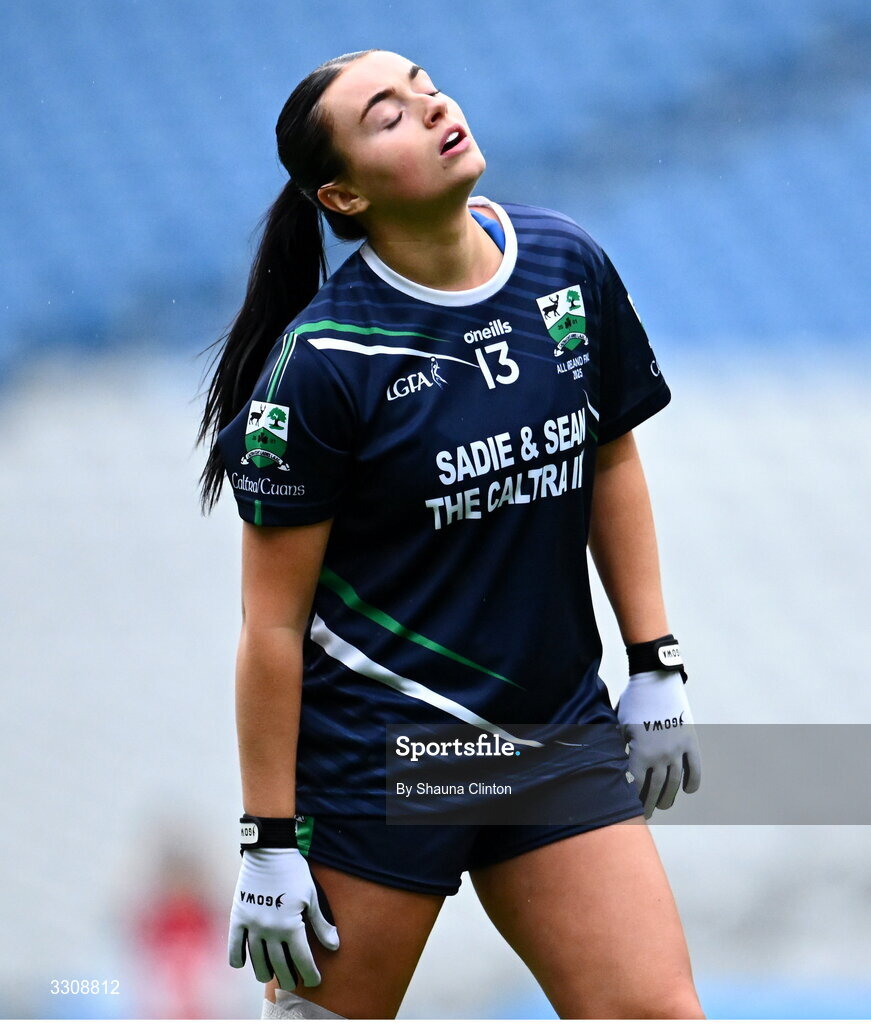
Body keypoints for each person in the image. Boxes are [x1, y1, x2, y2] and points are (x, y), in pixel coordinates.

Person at [197, 49, 704, 1020]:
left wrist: (654, 658)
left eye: (424, 84)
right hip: (386, 758)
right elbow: (269, 629)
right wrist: (268, 836)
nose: (429, 106)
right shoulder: (324, 364)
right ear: (341, 194)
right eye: (386, 114)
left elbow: (608, 459)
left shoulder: (564, 263)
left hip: (551, 734)